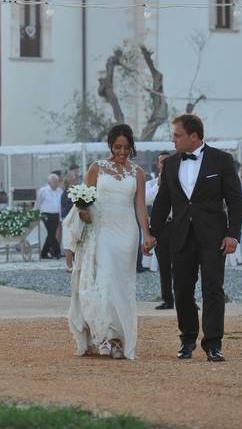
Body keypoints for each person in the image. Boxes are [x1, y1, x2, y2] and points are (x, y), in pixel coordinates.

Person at [150, 114, 242, 363]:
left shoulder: (222, 160)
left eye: (177, 135)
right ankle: (187, 339)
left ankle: (213, 344)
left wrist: (233, 234)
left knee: (213, 289)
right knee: (181, 290)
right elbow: (162, 203)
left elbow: (235, 200)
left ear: (194, 136)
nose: (173, 140)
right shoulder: (169, 164)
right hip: (179, 236)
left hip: (214, 237)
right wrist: (151, 233)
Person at [64, 123, 155, 359]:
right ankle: (104, 336)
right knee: (105, 281)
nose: (122, 152)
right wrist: (83, 212)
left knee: (122, 285)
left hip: (127, 231)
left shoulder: (138, 173)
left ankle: (118, 339)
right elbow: (85, 200)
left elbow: (140, 206)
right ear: (110, 146)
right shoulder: (97, 168)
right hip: (102, 230)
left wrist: (147, 234)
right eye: (118, 147)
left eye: (126, 147)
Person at [146, 151, 174, 309]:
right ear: (158, 164)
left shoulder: (180, 180)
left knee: (182, 265)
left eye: (167, 161)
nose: (165, 163)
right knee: (164, 265)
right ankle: (167, 299)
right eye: (162, 161)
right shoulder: (152, 184)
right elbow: (146, 199)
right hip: (161, 228)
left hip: (177, 226)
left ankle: (186, 298)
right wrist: (159, 184)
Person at [35, 173, 63, 259]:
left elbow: (60, 204)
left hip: (56, 214)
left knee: (51, 234)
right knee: (51, 233)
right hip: (45, 214)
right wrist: (37, 213)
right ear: (49, 182)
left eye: (57, 181)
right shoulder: (43, 190)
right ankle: (57, 252)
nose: (56, 183)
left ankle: (44, 253)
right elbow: (39, 202)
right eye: (54, 181)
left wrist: (60, 216)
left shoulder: (60, 191)